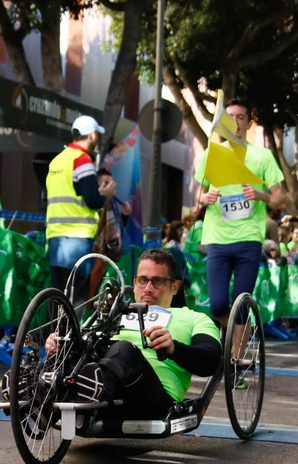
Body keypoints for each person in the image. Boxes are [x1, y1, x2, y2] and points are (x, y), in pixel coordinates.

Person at [55, 248, 222, 413]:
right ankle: (47, 401)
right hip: (104, 382)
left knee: (124, 349)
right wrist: (60, 346)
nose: (148, 288)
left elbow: (211, 360)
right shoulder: (114, 313)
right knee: (69, 350)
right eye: (142, 280)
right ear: (134, 283)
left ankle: (89, 400)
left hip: (153, 397)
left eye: (157, 281)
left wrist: (174, 348)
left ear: (174, 286)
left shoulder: (194, 318)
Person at [194, 100, 288, 324]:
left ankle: (237, 345)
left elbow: (280, 198)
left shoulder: (263, 156)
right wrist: (204, 199)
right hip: (217, 238)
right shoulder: (212, 154)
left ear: (248, 123)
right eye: (230, 117)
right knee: (217, 305)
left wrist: (261, 195)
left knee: (241, 304)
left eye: (241, 117)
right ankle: (232, 337)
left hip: (249, 238)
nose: (235, 122)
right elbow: (198, 194)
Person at [45, 114, 114, 293]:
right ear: (92, 135)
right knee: (76, 297)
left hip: (55, 238)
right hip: (77, 239)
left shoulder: (57, 161)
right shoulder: (82, 160)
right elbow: (93, 201)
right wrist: (105, 196)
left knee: (57, 295)